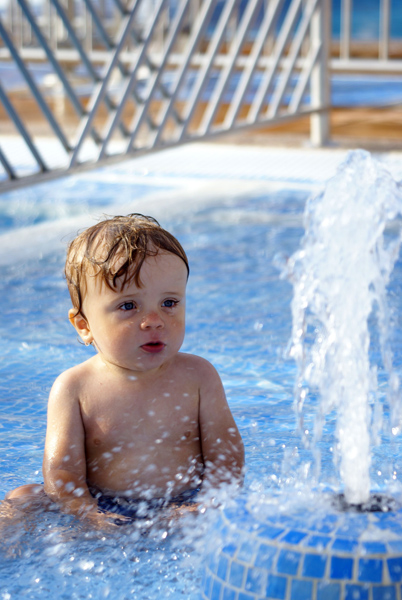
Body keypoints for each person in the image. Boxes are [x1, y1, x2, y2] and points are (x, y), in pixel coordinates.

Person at [5, 214, 244, 527]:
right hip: (102, 505)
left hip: (184, 505)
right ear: (84, 325)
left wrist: (209, 503)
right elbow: (62, 474)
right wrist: (90, 515)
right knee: (22, 497)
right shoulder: (74, 388)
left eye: (169, 302)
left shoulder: (198, 376)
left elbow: (226, 456)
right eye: (129, 306)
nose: (154, 320)